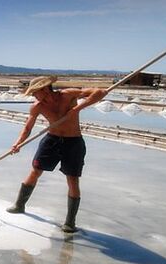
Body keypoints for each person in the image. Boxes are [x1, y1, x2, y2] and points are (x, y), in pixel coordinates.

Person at [6, 76, 106, 233]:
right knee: (35, 172)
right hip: (51, 140)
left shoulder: (67, 95)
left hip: (73, 142)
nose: (33, 96)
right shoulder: (37, 106)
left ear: (44, 89)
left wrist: (76, 109)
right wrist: (17, 143)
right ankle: (19, 205)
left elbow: (100, 92)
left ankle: (70, 222)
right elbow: (27, 128)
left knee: (72, 179)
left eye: (35, 93)